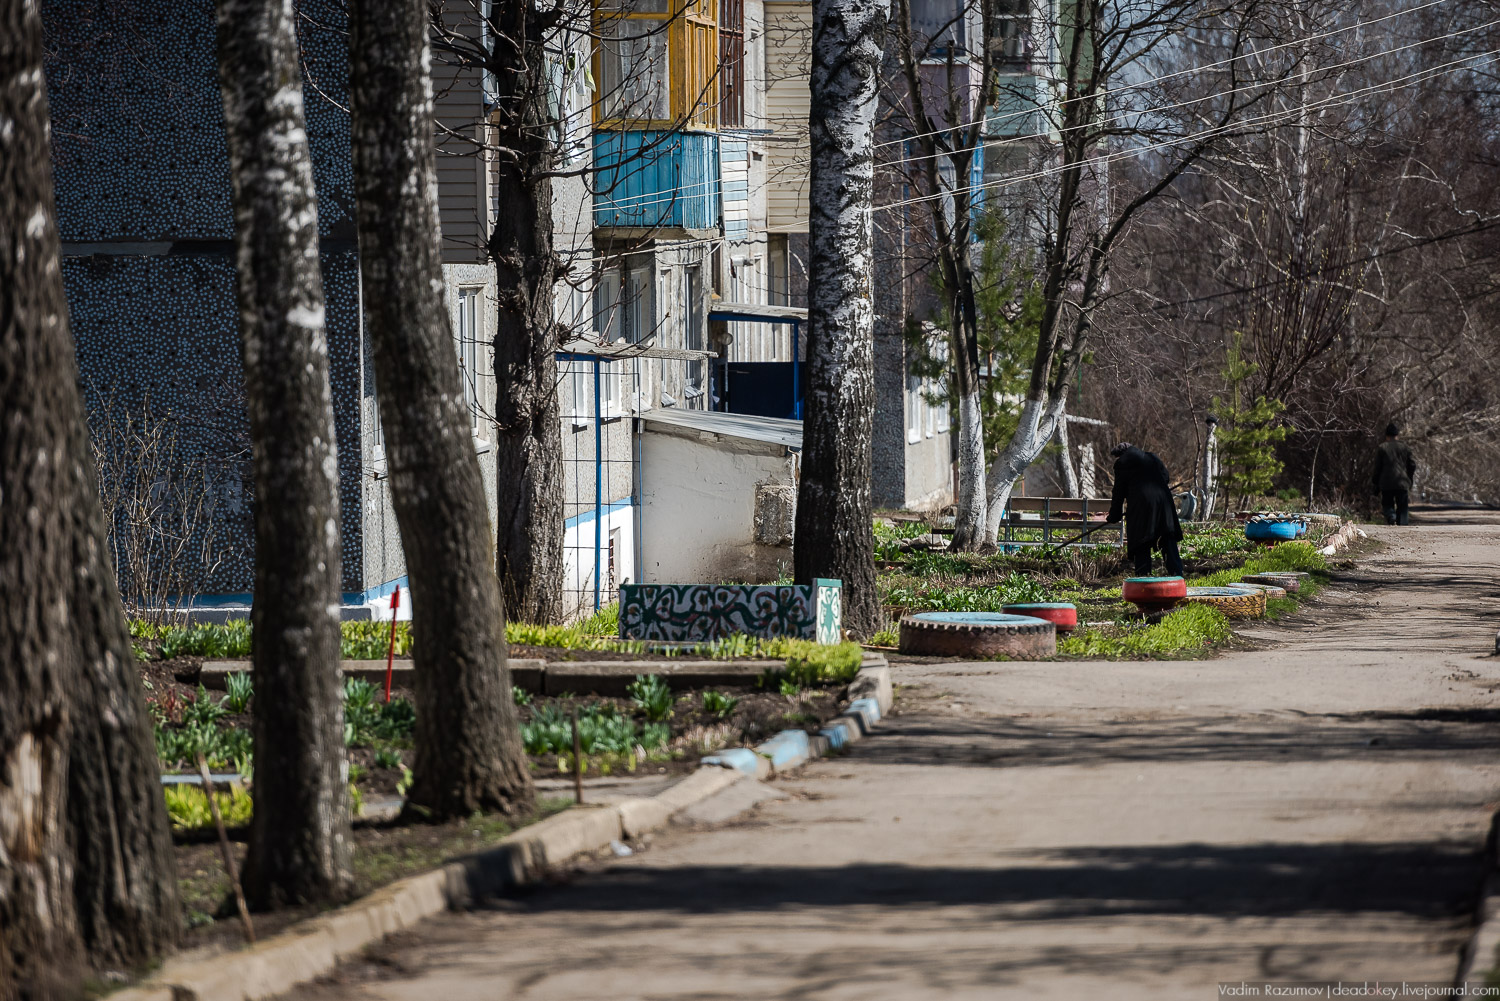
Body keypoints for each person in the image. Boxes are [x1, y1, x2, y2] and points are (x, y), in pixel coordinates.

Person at [1106, 442, 1184, 577]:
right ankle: (1177, 575)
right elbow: (1165, 476)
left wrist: (1114, 515)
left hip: (1141, 507)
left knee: (1141, 541)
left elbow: (1118, 492)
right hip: (1163, 502)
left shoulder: (1122, 463)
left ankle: (1143, 578)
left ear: (1120, 455)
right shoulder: (1152, 457)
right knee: (1167, 537)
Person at [1372, 423, 1416, 525]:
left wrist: (1375, 481)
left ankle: (1391, 516)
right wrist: (1409, 478)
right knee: (1402, 506)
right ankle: (1403, 524)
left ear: (1387, 435)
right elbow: (1412, 464)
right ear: (1397, 435)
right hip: (1402, 481)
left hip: (1386, 482)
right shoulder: (1405, 447)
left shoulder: (1382, 448)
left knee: (1387, 503)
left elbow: (1377, 467)